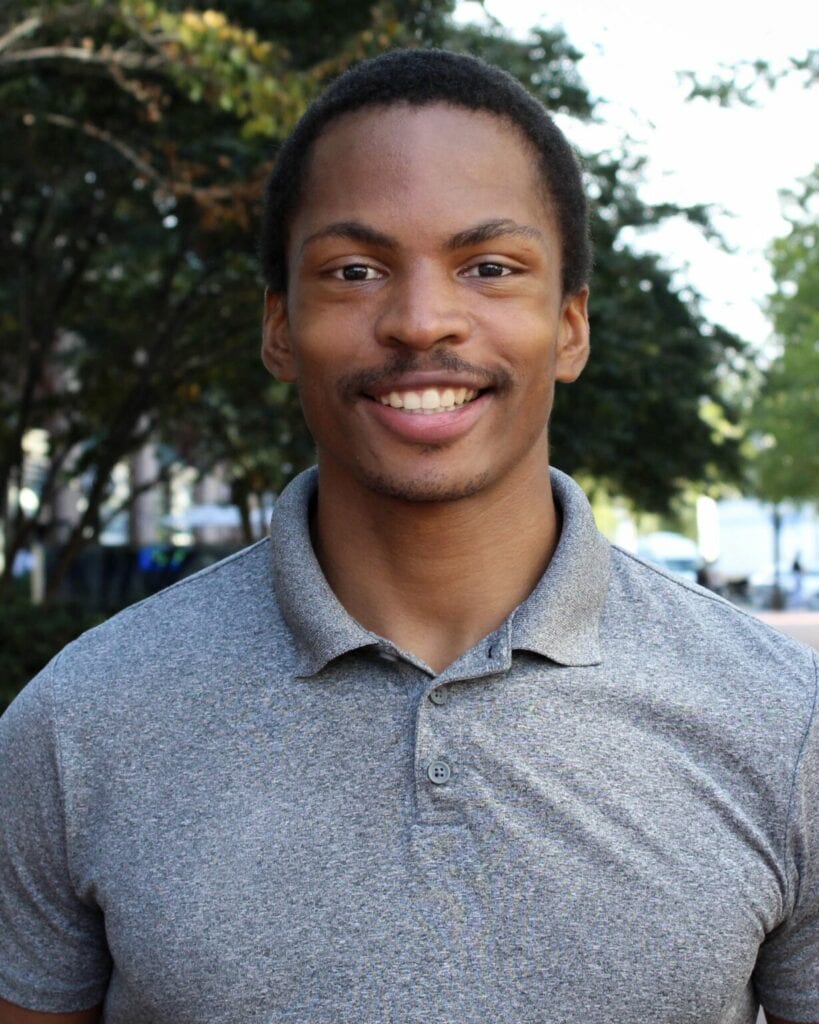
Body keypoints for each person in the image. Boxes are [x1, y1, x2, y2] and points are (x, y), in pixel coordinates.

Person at [0, 48, 817, 1024]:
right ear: (278, 326)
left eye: (488, 267)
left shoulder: (784, 724)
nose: (423, 320)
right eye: (354, 270)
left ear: (569, 327)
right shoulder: (75, 726)